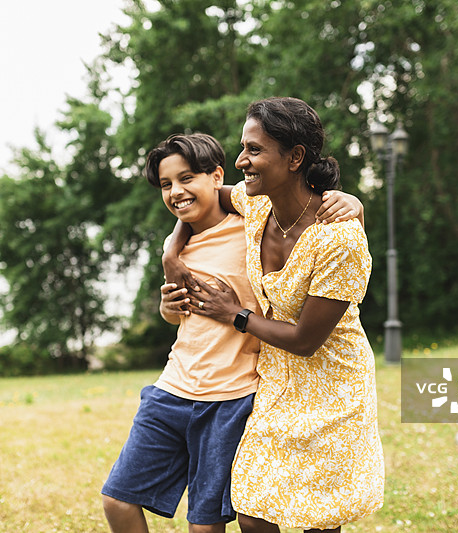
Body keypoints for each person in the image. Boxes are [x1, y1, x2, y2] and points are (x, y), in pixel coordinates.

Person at [100, 132, 363, 533]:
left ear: (217, 176)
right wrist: (168, 288)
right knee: (116, 501)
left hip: (233, 395)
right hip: (172, 387)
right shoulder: (180, 248)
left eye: (186, 178)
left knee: (207, 525)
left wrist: (355, 205)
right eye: (166, 185)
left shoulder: (254, 225)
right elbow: (183, 317)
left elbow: (304, 224)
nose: (176, 192)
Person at [163, 97, 384, 533]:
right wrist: (170, 251)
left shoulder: (339, 240)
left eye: (254, 150)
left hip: (333, 387)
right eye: (243, 148)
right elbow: (198, 199)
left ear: (295, 157)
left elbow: (305, 340)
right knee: (255, 512)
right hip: (276, 384)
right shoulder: (256, 204)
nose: (241, 159)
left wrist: (235, 314)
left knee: (319, 518)